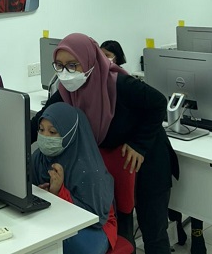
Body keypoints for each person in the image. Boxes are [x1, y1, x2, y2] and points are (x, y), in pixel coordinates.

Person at [31, 33, 178, 254]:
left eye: (72, 65)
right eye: (59, 66)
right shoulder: (67, 90)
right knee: (124, 228)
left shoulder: (120, 84)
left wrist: (139, 144)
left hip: (148, 156)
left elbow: (158, 103)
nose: (65, 72)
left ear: (90, 61)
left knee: (153, 230)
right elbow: (40, 120)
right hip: (113, 161)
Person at [33, 102, 117, 254]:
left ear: (70, 133)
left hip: (96, 228)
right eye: (41, 129)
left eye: (53, 132)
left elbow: (96, 217)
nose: (45, 136)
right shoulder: (39, 158)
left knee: (52, 243)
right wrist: (38, 194)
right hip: (55, 218)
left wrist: (59, 192)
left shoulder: (90, 171)